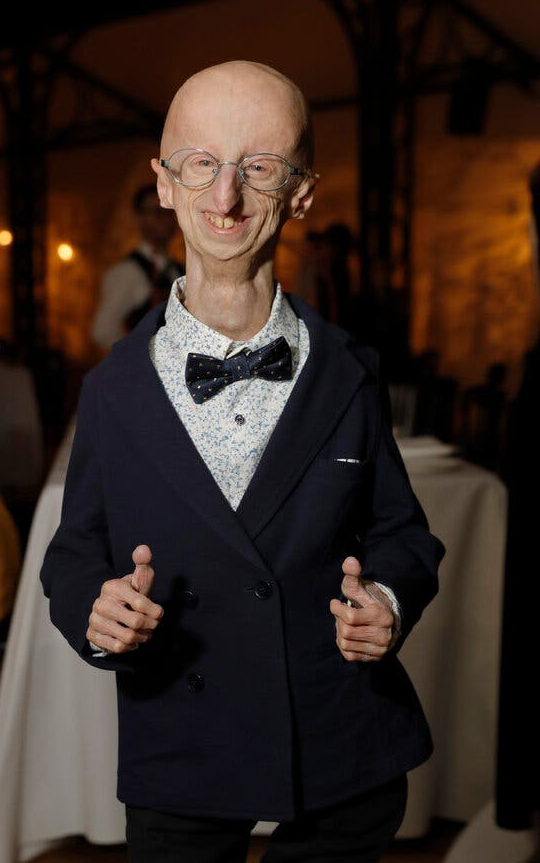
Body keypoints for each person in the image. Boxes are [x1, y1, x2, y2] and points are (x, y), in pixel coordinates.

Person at [41, 61, 444, 863]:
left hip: (342, 744)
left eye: (257, 169)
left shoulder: (351, 371)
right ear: (163, 183)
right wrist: (95, 606)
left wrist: (389, 600)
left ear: (299, 194)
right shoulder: (115, 390)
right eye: (201, 164)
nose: (224, 199)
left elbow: (402, 530)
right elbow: (74, 550)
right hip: (181, 748)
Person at [90, 184, 182, 351]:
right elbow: (102, 330)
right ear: (139, 218)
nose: (164, 219)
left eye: (169, 211)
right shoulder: (127, 272)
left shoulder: (179, 270)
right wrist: (138, 359)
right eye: (156, 212)